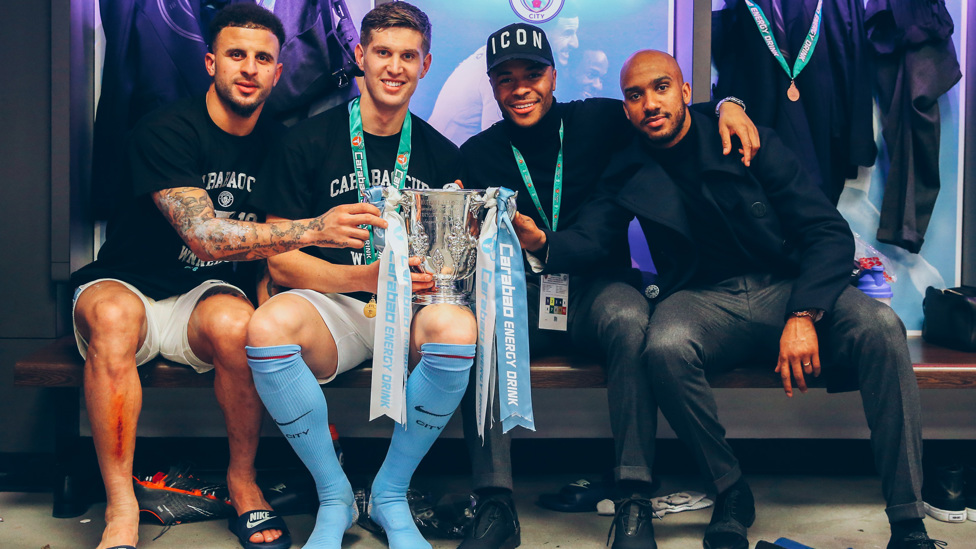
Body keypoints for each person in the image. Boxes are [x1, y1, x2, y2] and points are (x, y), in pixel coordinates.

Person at [516, 49, 939, 549]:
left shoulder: (742, 136)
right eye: (635, 95)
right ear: (625, 109)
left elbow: (827, 231)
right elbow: (594, 236)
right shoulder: (626, 167)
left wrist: (804, 313)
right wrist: (545, 243)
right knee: (664, 346)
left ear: (685, 93)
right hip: (702, 299)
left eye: (661, 87)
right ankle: (731, 488)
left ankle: (909, 524)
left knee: (882, 328)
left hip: (787, 286)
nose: (650, 103)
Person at [69, 5, 386, 549]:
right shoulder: (166, 128)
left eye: (263, 58)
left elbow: (267, 258)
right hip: (128, 283)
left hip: (200, 296)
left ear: (279, 73)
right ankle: (121, 506)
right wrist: (315, 228)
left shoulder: (280, 145)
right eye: (236, 55)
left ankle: (243, 482)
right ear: (211, 62)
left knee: (245, 325)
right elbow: (204, 235)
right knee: (115, 317)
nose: (249, 68)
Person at [457, 25, 760, 549]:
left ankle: (633, 498)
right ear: (492, 86)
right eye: (506, 79)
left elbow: (667, 114)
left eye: (533, 75)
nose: (521, 88)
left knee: (631, 321)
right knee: (476, 328)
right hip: (523, 297)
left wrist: (727, 104)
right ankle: (494, 504)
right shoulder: (477, 153)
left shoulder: (597, 120)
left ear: (553, 77)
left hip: (599, 288)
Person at [244, 3, 475, 548]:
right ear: (360, 56)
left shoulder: (443, 154)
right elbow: (280, 260)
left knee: (459, 328)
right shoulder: (304, 142)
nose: (395, 67)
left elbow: (448, 267)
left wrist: (448, 258)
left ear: (426, 65)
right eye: (383, 53)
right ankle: (334, 496)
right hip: (336, 307)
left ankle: (391, 494)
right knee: (265, 326)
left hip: (411, 312)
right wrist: (367, 279)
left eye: (408, 56)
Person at [428, 12, 581, 146]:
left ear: (554, 77)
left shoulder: (491, 59)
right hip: (453, 166)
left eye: (533, 76)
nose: (575, 43)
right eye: (567, 33)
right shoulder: (487, 68)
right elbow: (498, 147)